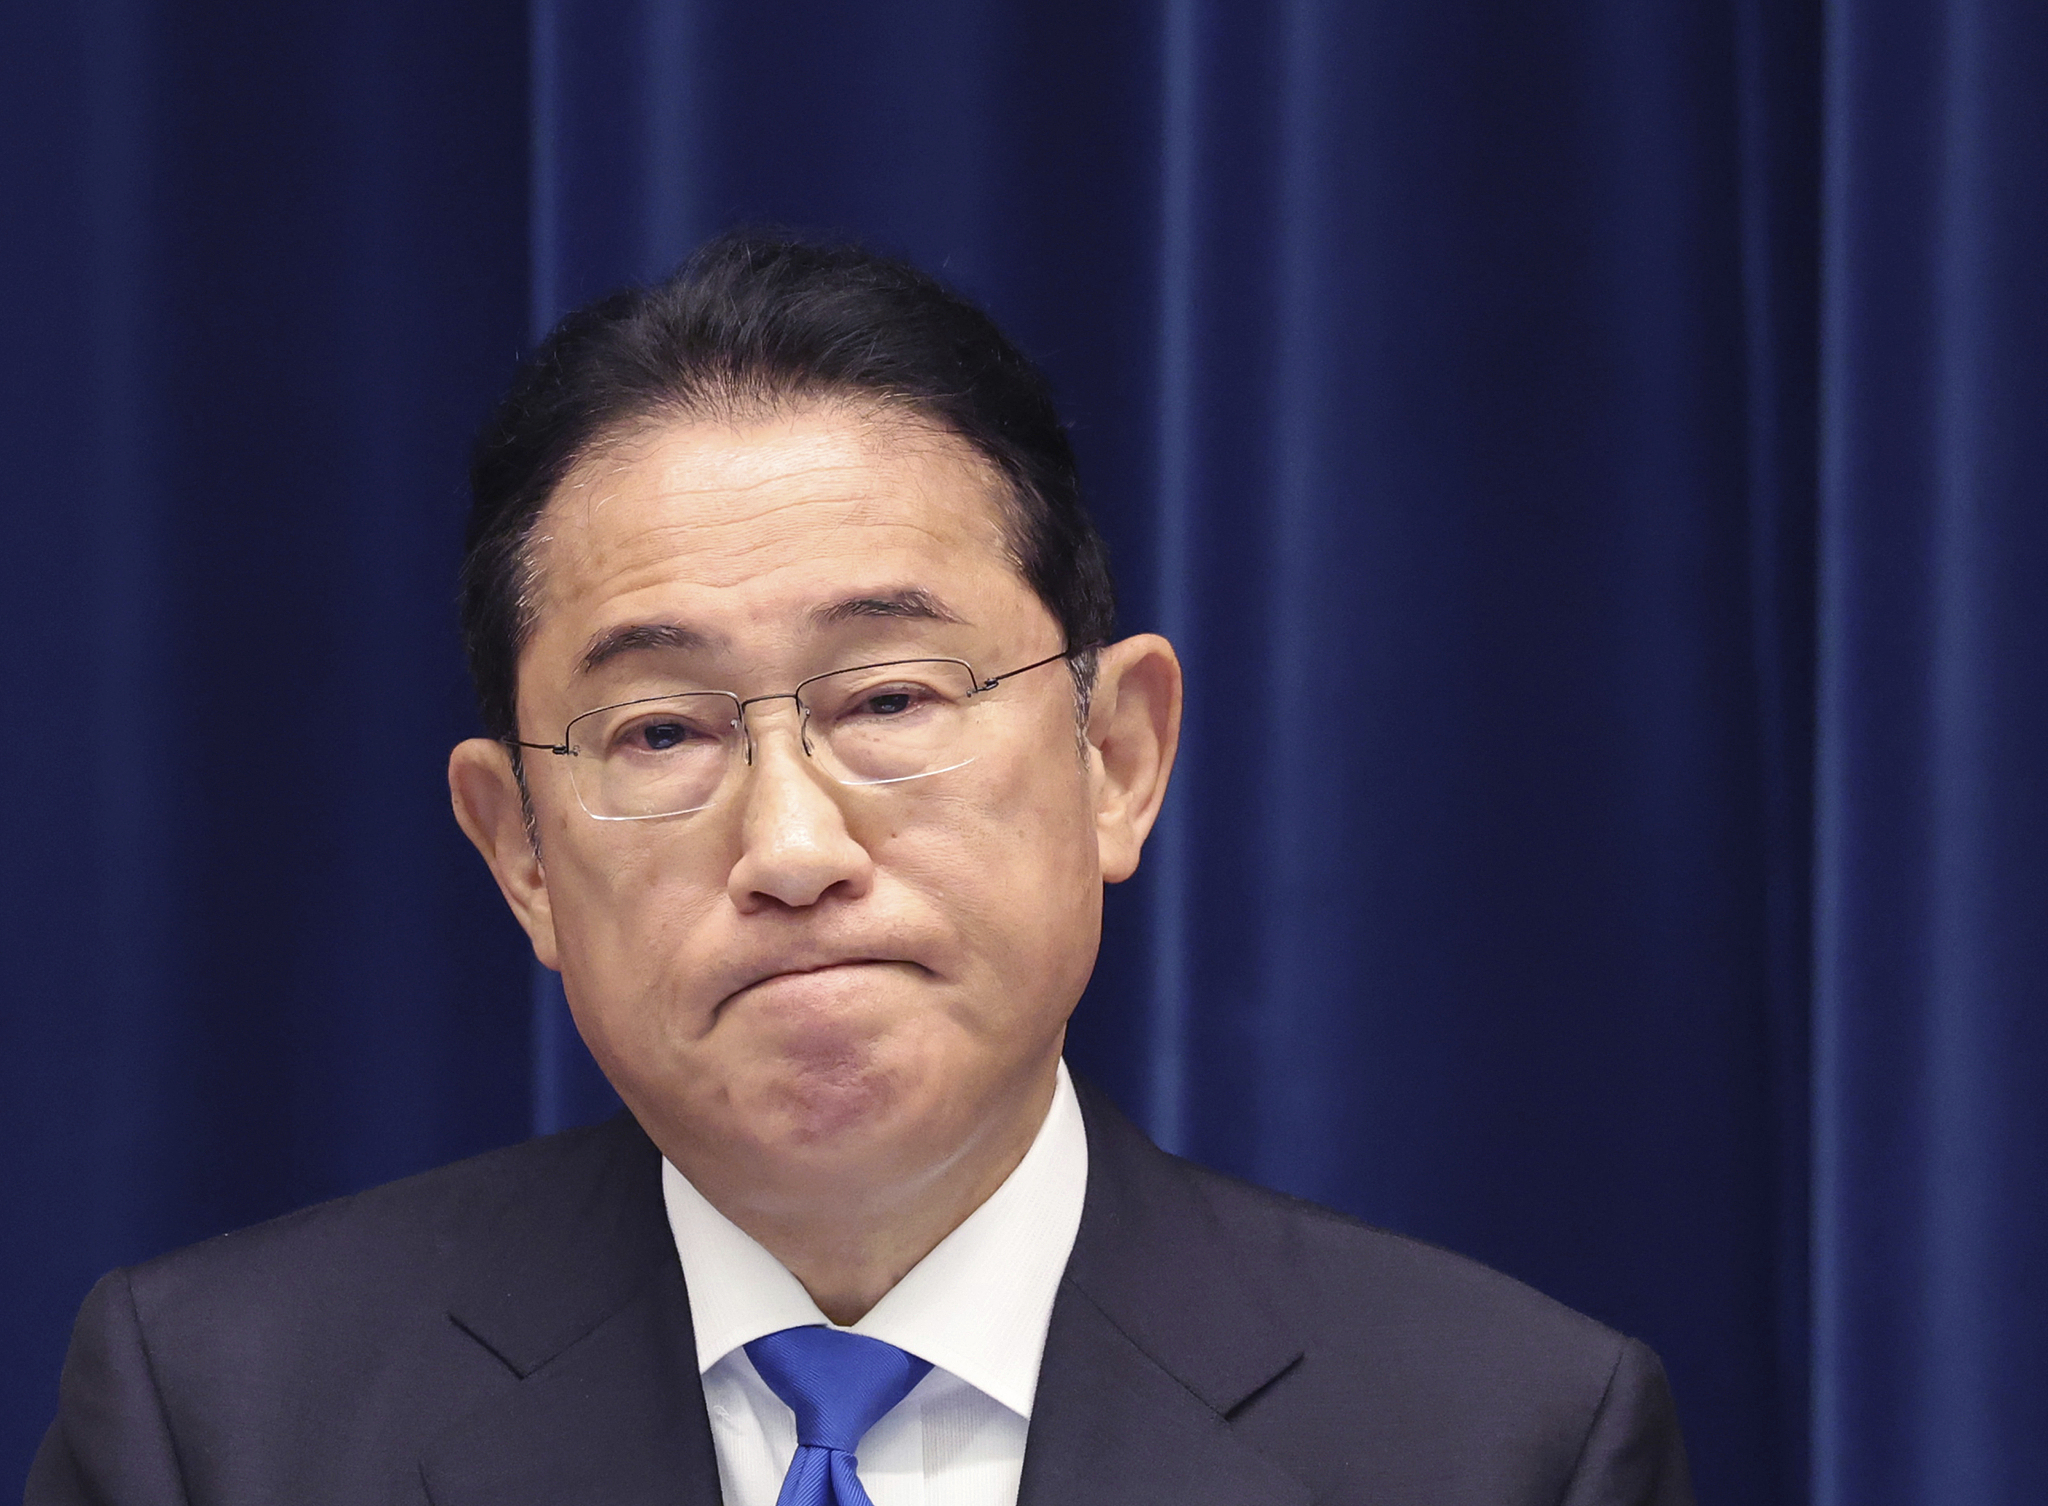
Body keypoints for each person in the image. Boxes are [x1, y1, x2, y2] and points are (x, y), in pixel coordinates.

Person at [27, 235, 1694, 1506]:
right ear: (520, 852)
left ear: (1117, 756)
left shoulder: (1500, 1440)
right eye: (663, 732)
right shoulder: (225, 1425)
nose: (794, 847)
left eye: (890, 698)